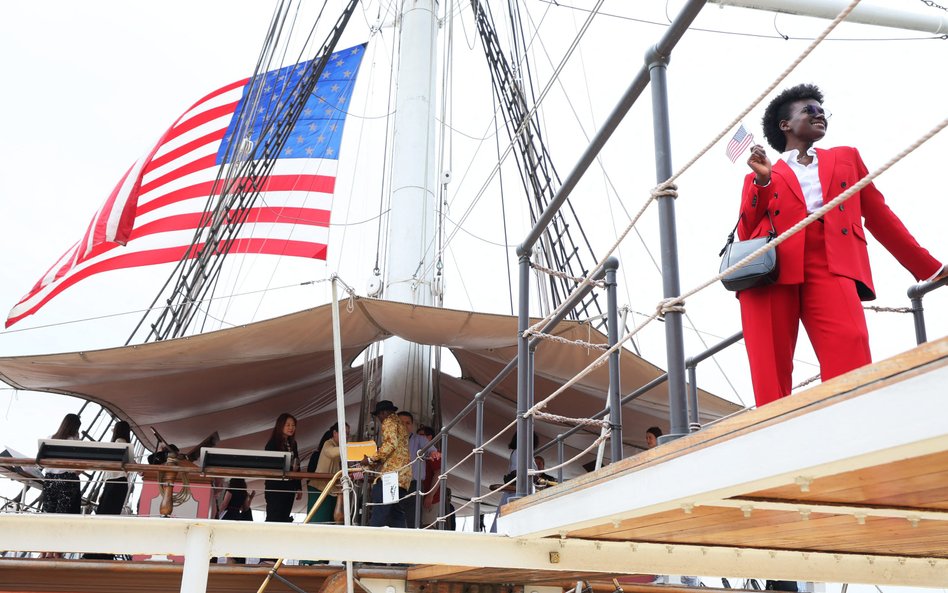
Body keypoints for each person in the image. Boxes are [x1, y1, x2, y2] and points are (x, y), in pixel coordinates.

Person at [738, 83, 945, 407]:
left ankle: (855, 428)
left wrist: (930, 268)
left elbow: (879, 217)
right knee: (770, 371)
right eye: (809, 110)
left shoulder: (846, 158)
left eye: (822, 111)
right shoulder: (764, 172)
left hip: (832, 261)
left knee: (851, 345)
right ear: (785, 125)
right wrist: (762, 181)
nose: (819, 115)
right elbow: (746, 229)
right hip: (773, 271)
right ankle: (775, 445)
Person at [365, 400, 411, 528]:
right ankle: (401, 542)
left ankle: (371, 540)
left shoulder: (388, 421)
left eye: (379, 416)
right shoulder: (400, 424)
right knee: (397, 513)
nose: (379, 419)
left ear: (383, 413)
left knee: (380, 510)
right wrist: (380, 459)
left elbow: (391, 444)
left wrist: (370, 459)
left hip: (391, 474)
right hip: (403, 476)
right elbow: (397, 448)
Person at [306, 422, 348, 524]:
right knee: (318, 522)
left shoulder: (339, 447)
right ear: (335, 433)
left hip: (331, 490)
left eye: (347, 434)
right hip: (320, 488)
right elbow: (332, 453)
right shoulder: (328, 443)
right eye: (343, 432)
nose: (346, 436)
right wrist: (352, 448)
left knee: (329, 522)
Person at [264, 413, 301, 523]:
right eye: (288, 425)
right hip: (276, 487)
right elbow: (270, 465)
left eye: (293, 425)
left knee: (285, 516)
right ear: (280, 426)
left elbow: (297, 464)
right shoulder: (272, 444)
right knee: (274, 516)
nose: (291, 428)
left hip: (289, 486)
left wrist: (298, 486)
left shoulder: (293, 444)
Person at [95, 421, 132, 516]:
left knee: (103, 514)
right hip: (120, 483)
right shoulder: (126, 445)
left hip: (113, 483)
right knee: (111, 513)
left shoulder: (118, 443)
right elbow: (131, 463)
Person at [218, 477, 254, 563]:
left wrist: (217, 514)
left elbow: (224, 504)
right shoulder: (244, 493)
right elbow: (245, 508)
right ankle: (233, 557)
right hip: (238, 516)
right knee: (234, 538)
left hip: (229, 515)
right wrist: (251, 499)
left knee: (227, 537)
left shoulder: (230, 490)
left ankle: (229, 558)